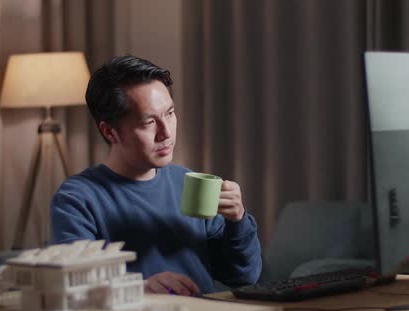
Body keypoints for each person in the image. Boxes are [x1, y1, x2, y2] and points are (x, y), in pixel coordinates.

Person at [50, 55, 262, 295]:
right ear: (110, 132)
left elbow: (244, 277)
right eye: (149, 122)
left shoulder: (188, 183)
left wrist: (238, 221)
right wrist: (140, 287)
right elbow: (73, 283)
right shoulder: (77, 198)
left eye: (169, 113)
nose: (166, 133)